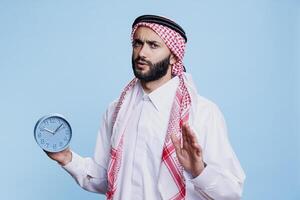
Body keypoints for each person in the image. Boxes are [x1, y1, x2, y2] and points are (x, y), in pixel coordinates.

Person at [45, 14, 246, 200]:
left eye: (153, 45)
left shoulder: (202, 113)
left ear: (174, 56)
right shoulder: (116, 110)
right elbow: (105, 179)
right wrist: (66, 158)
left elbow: (231, 192)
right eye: (137, 43)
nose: (142, 52)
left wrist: (199, 170)